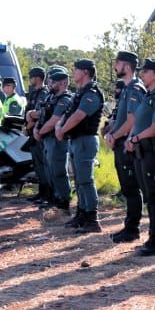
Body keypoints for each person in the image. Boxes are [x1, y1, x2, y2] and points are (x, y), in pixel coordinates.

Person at [56, 58, 106, 232]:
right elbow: (68, 112)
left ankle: (92, 219)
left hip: (86, 140)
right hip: (77, 140)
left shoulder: (92, 93)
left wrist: (62, 130)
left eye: (76, 69)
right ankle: (82, 213)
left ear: (85, 72)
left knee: (85, 180)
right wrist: (59, 126)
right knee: (78, 181)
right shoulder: (80, 92)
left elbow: (79, 115)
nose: (73, 72)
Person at [128, 59, 155, 256]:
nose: (142, 74)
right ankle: (152, 238)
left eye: (145, 71)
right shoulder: (148, 96)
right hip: (140, 152)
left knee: (154, 197)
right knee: (149, 197)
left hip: (152, 153)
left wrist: (136, 137)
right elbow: (138, 122)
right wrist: (131, 138)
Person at [102, 51, 145, 241]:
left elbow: (132, 120)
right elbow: (121, 118)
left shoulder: (135, 88)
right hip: (121, 143)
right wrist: (110, 128)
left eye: (118, 63)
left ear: (126, 66)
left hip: (128, 145)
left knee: (131, 188)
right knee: (127, 188)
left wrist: (115, 134)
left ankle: (133, 229)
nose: (115, 67)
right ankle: (129, 225)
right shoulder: (127, 89)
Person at [34, 67, 73, 215]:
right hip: (46, 139)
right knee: (49, 170)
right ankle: (53, 198)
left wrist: (40, 131)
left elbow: (54, 120)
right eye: (50, 81)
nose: (50, 84)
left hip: (57, 139)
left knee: (58, 171)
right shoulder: (51, 97)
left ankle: (63, 201)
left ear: (63, 83)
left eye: (54, 82)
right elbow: (43, 115)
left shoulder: (65, 99)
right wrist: (36, 129)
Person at [23, 67, 54, 205]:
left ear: (38, 78)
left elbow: (39, 113)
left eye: (32, 76)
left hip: (39, 132)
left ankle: (47, 194)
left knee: (43, 165)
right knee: (38, 165)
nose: (30, 79)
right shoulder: (34, 93)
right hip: (32, 133)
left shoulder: (44, 93)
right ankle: (42, 192)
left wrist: (29, 122)